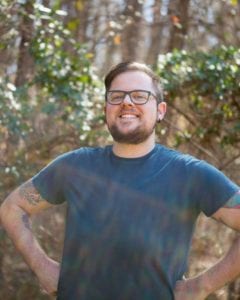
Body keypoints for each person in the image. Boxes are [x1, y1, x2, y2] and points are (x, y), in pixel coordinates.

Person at [0, 61, 239, 300]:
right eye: (116, 96)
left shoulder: (190, 174)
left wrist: (203, 285)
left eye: (139, 95)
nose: (126, 102)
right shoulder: (75, 167)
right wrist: (42, 267)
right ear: (106, 108)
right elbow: (13, 207)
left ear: (161, 110)